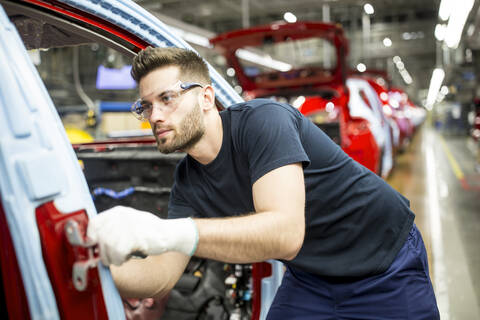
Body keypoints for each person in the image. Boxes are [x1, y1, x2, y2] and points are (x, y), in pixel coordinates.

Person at [87, 46, 440, 319]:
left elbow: (286, 234)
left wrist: (166, 232)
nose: (156, 116)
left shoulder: (264, 122)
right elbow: (159, 276)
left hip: (385, 262)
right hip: (313, 278)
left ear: (206, 97)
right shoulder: (189, 180)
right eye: (146, 107)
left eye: (167, 98)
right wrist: (89, 262)